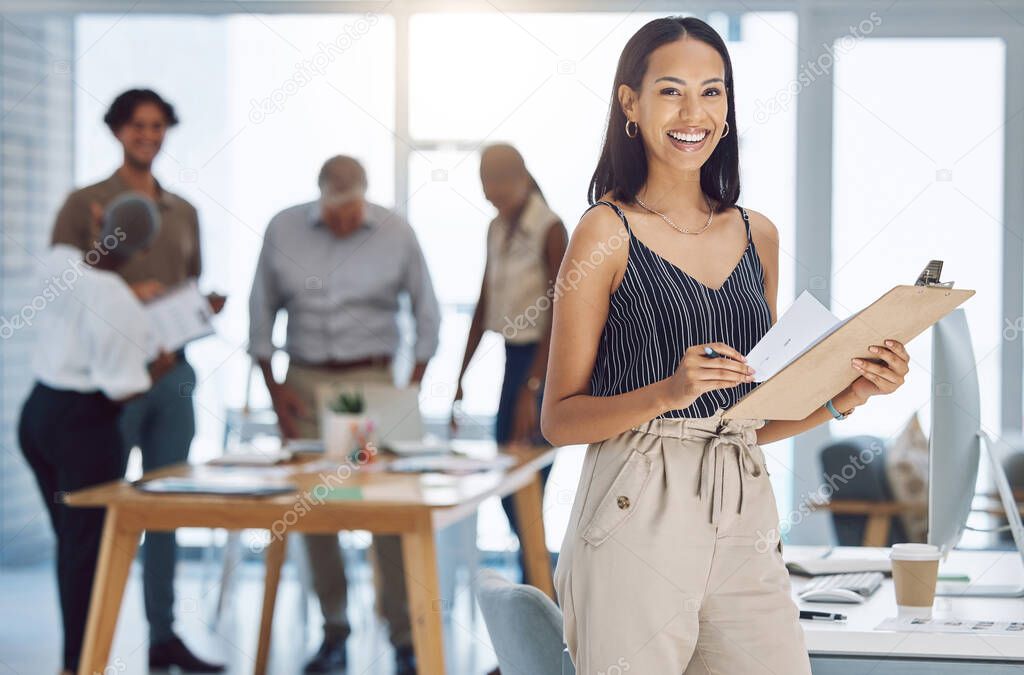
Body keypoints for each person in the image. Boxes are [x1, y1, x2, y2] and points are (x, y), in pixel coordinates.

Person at [543, 17, 910, 674]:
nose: (695, 113)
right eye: (671, 91)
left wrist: (845, 397)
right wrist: (669, 391)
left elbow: (749, 414)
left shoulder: (755, 234)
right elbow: (559, 418)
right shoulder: (604, 231)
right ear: (630, 103)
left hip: (744, 504)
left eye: (712, 92)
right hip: (635, 504)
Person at [50, 88, 225, 673]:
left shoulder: (184, 212)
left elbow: (190, 281)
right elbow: (64, 288)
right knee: (99, 513)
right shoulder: (85, 204)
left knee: (166, 505)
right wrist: (129, 296)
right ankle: (88, 645)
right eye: (137, 126)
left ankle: (163, 635)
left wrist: (200, 307)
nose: (148, 135)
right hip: (109, 387)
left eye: (157, 126)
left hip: (172, 378)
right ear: (118, 131)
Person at [249, 155, 441, 675]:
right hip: (307, 383)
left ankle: (402, 636)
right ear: (320, 198)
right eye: (335, 212)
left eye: (353, 210)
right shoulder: (283, 228)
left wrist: (410, 389)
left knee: (387, 509)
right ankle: (334, 630)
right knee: (315, 509)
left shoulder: (395, 231)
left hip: (372, 384)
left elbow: (427, 310)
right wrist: (275, 392)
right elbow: (261, 313)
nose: (345, 222)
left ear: (365, 194)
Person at [19, 194, 176, 675]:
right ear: (145, 250)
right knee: (88, 550)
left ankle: (77, 661)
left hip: (37, 416)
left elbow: (85, 285)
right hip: (85, 426)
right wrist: (159, 368)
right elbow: (122, 390)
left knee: (72, 543)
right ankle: (79, 665)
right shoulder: (117, 300)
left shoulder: (58, 264)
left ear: (100, 221)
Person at [452, 143, 567, 581]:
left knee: (526, 485)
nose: (489, 194)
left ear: (519, 178)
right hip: (511, 360)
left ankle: (544, 587)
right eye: (484, 186)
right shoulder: (496, 227)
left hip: (544, 362)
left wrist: (533, 389)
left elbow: (561, 311)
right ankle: (539, 584)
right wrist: (460, 374)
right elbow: (484, 304)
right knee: (510, 488)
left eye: (496, 183)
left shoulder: (550, 226)